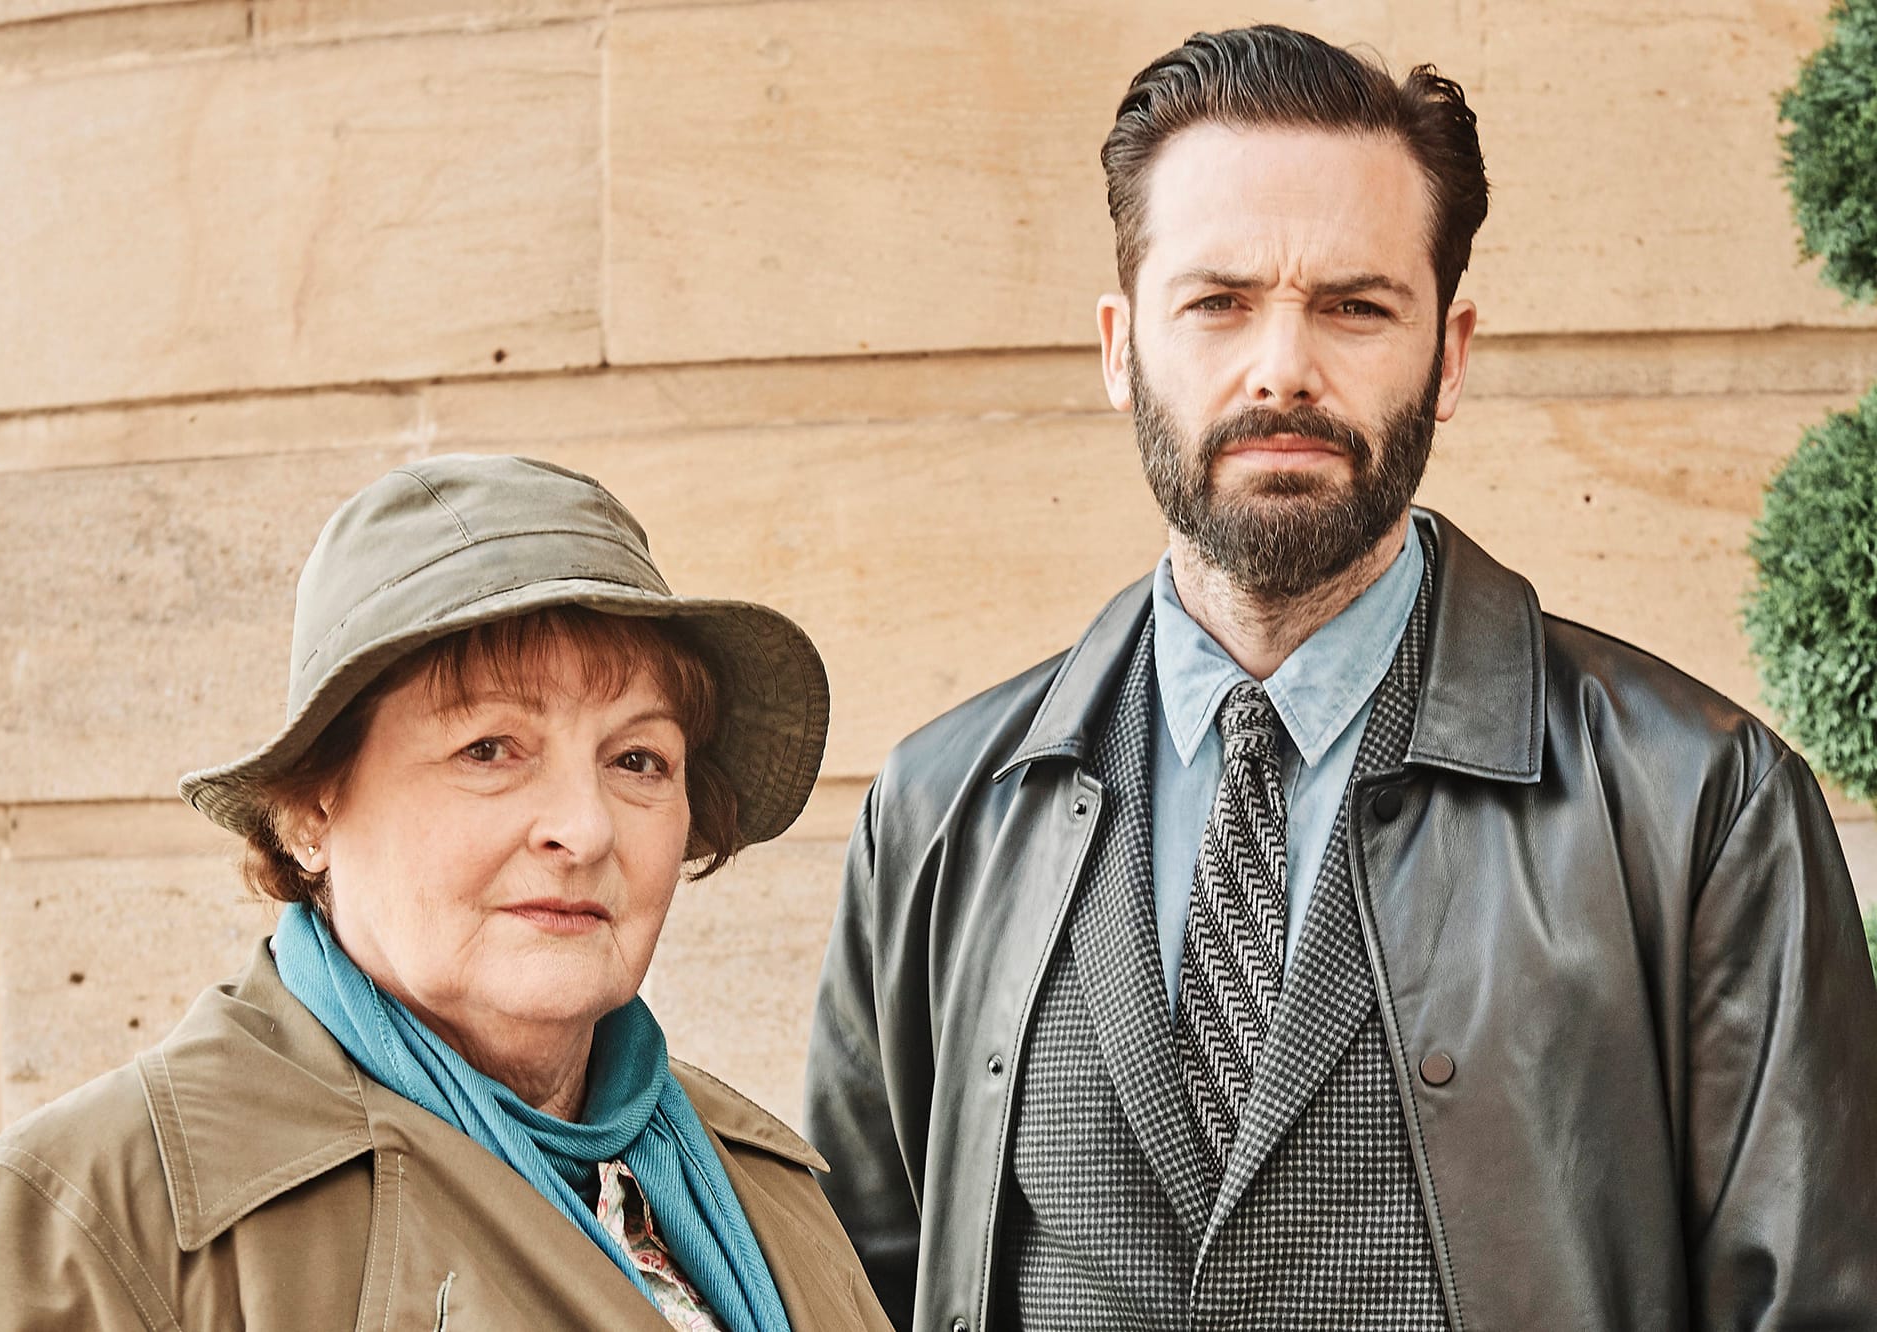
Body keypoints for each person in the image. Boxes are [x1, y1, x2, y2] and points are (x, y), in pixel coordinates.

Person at [804, 24, 1877, 1332]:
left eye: (1356, 307)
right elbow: (843, 1290)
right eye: (1218, 302)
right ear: (1119, 347)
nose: (1281, 368)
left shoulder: (1698, 803)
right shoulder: (937, 812)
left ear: (1452, 351)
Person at [0, 454, 893, 1331]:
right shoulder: (106, 1215)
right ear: (311, 809)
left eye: (637, 759)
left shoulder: (766, 1188)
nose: (585, 827)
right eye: (489, 750)